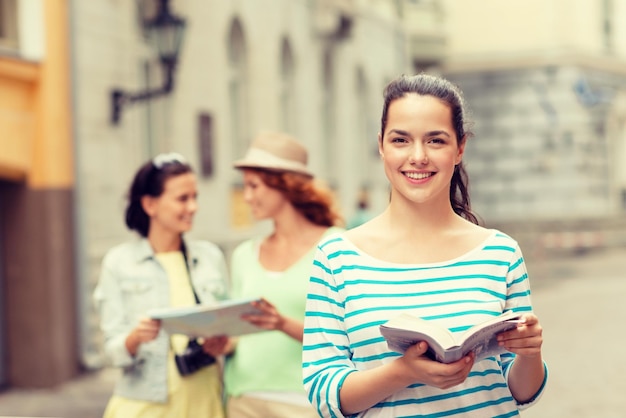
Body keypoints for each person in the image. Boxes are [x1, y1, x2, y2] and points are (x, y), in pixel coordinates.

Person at [302, 74, 548, 417]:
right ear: (381, 146)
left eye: (435, 141)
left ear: (460, 148)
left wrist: (530, 352)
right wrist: (404, 371)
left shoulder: (500, 253)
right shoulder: (336, 258)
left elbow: (521, 392)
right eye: (401, 140)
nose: (418, 157)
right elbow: (323, 393)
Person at [93, 152, 230, 418]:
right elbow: (111, 351)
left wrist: (223, 343)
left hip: (205, 402)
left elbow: (231, 330)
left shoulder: (209, 257)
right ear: (150, 205)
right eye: (182, 199)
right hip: (144, 406)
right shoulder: (119, 263)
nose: (193, 207)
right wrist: (135, 338)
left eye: (195, 197)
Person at [224, 132, 344, 418]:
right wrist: (219, 342)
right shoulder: (244, 254)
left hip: (304, 401)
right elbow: (238, 335)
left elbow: (347, 337)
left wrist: (282, 323)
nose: (247, 197)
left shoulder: (335, 246)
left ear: (284, 185)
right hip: (243, 398)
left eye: (254, 186)